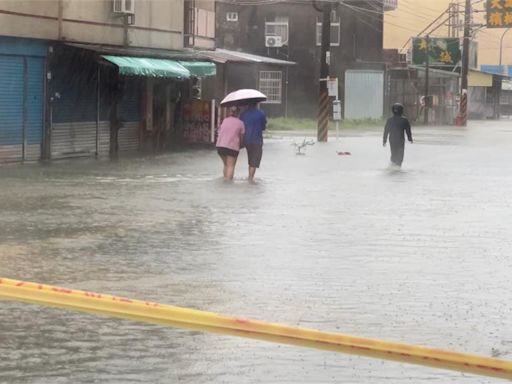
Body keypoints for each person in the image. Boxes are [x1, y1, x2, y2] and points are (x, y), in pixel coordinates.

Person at [239, 101, 267, 182]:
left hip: (246, 140)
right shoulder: (261, 113)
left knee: (251, 159)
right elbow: (263, 127)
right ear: (257, 103)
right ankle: (250, 180)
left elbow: (241, 127)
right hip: (257, 140)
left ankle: (249, 177)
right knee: (254, 162)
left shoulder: (243, 114)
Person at [216, 106, 245, 181]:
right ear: (238, 113)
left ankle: (224, 180)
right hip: (232, 147)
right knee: (231, 166)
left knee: (226, 165)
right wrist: (241, 145)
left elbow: (219, 132)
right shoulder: (240, 123)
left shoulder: (225, 120)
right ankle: (228, 185)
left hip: (220, 146)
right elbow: (242, 137)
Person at [383, 103, 413, 167]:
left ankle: (392, 166)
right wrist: (410, 139)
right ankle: (397, 168)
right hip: (400, 140)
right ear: (402, 110)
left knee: (393, 153)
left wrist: (384, 140)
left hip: (392, 140)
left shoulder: (389, 120)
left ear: (393, 110)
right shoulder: (404, 120)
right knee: (400, 155)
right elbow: (408, 131)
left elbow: (386, 131)